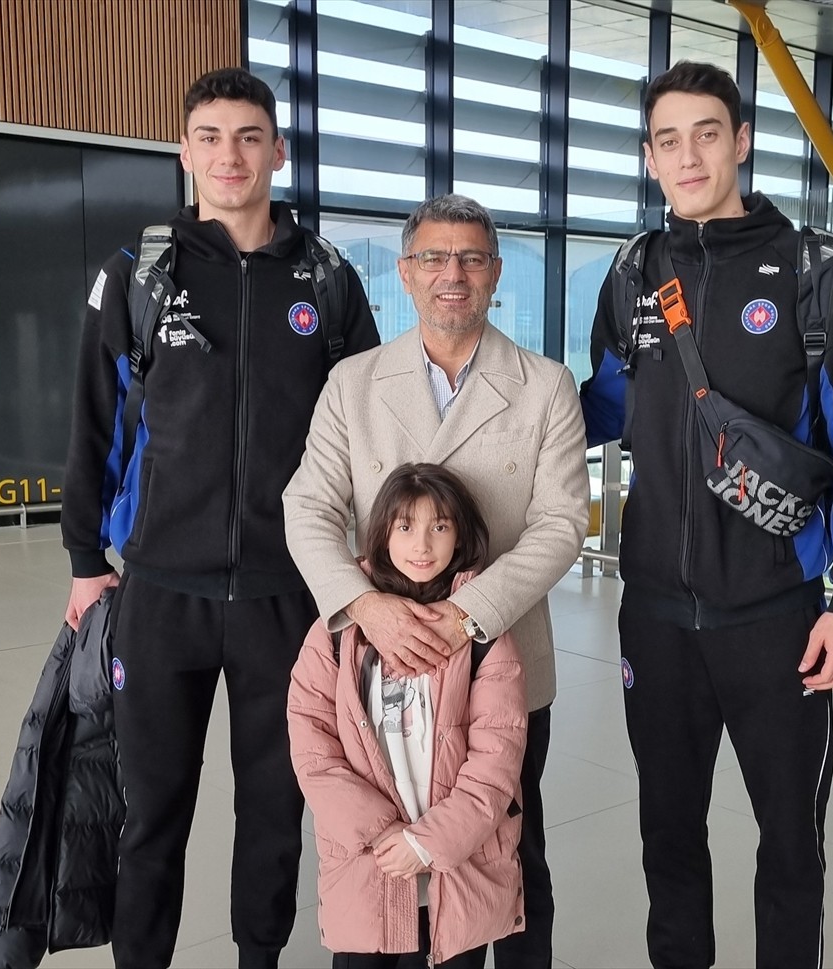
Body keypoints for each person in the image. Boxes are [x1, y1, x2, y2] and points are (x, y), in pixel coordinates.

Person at [60, 67, 380, 969]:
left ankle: (258, 959)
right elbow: (92, 421)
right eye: (210, 137)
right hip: (162, 592)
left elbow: (366, 431)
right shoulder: (138, 276)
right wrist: (85, 557)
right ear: (185, 152)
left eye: (249, 137)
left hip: (289, 596)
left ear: (278, 151)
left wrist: (367, 571)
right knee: (151, 812)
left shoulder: (328, 279)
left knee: (275, 810)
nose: (230, 156)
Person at [579, 61, 833, 968]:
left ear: (742, 141)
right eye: (668, 140)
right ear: (649, 156)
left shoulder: (811, 272)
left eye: (707, 134)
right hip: (656, 617)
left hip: (777, 617)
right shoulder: (633, 273)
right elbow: (603, 405)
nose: (689, 156)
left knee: (791, 844)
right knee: (668, 838)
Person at [282, 194, 589, 969]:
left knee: (503, 842)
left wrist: (467, 616)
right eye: (434, 258)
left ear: (495, 273)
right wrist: (365, 605)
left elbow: (561, 522)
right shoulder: (354, 383)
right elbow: (307, 505)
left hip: (499, 661)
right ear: (406, 273)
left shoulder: (545, 385)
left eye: (471, 258)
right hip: (374, 668)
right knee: (380, 844)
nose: (453, 273)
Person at [287, 462, 528, 969]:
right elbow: (313, 750)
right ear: (382, 532)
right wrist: (381, 835)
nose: (422, 545)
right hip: (366, 868)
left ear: (459, 535)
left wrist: (425, 843)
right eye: (405, 526)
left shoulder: (484, 636)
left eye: (439, 526)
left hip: (460, 873)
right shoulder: (337, 632)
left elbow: (496, 765)